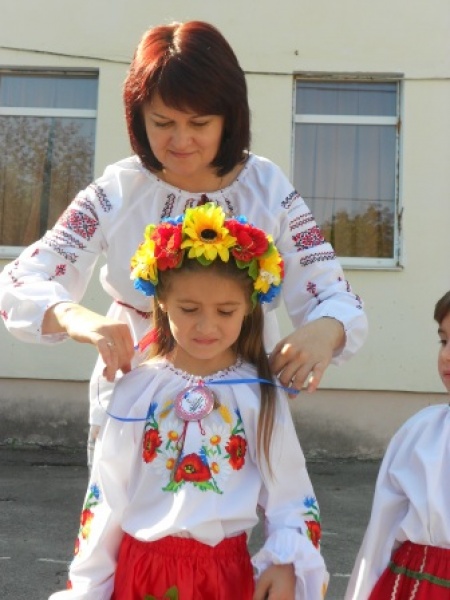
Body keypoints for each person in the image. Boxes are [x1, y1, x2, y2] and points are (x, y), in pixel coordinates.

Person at [0, 20, 367, 466]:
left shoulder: (267, 188)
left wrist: (327, 329)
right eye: (163, 122)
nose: (180, 140)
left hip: (241, 405)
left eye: (199, 123)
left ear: (229, 119)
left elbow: (332, 292)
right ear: (138, 117)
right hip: (135, 401)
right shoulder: (118, 190)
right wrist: (78, 318)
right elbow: (23, 280)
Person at [48, 203, 329, 600]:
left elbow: (290, 491)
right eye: (189, 309)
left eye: (225, 311)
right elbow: (106, 497)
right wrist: (89, 588)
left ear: (249, 307)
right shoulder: (136, 389)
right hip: (140, 575)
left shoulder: (259, 392)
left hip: (224, 579)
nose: (206, 325)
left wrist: (286, 561)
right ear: (161, 301)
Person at [345, 290, 450, 600]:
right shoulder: (421, 431)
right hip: (416, 585)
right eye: (443, 341)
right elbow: (381, 532)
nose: (446, 355)